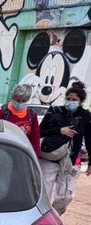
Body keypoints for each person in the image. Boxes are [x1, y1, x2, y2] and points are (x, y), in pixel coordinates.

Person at [39, 81, 89, 213]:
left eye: (74, 99)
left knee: (66, 196)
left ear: (81, 101)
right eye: (68, 99)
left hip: (70, 161)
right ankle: (41, 219)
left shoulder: (85, 116)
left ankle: (53, 216)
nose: (70, 101)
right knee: (44, 194)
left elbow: (89, 138)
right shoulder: (54, 111)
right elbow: (40, 131)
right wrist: (59, 130)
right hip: (49, 158)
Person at [0, 85, 40, 157]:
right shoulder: (2, 113)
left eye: (23, 101)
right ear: (13, 98)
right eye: (18, 100)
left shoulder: (32, 115)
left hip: (22, 154)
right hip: (2, 153)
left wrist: (35, 156)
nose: (20, 103)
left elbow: (35, 138)